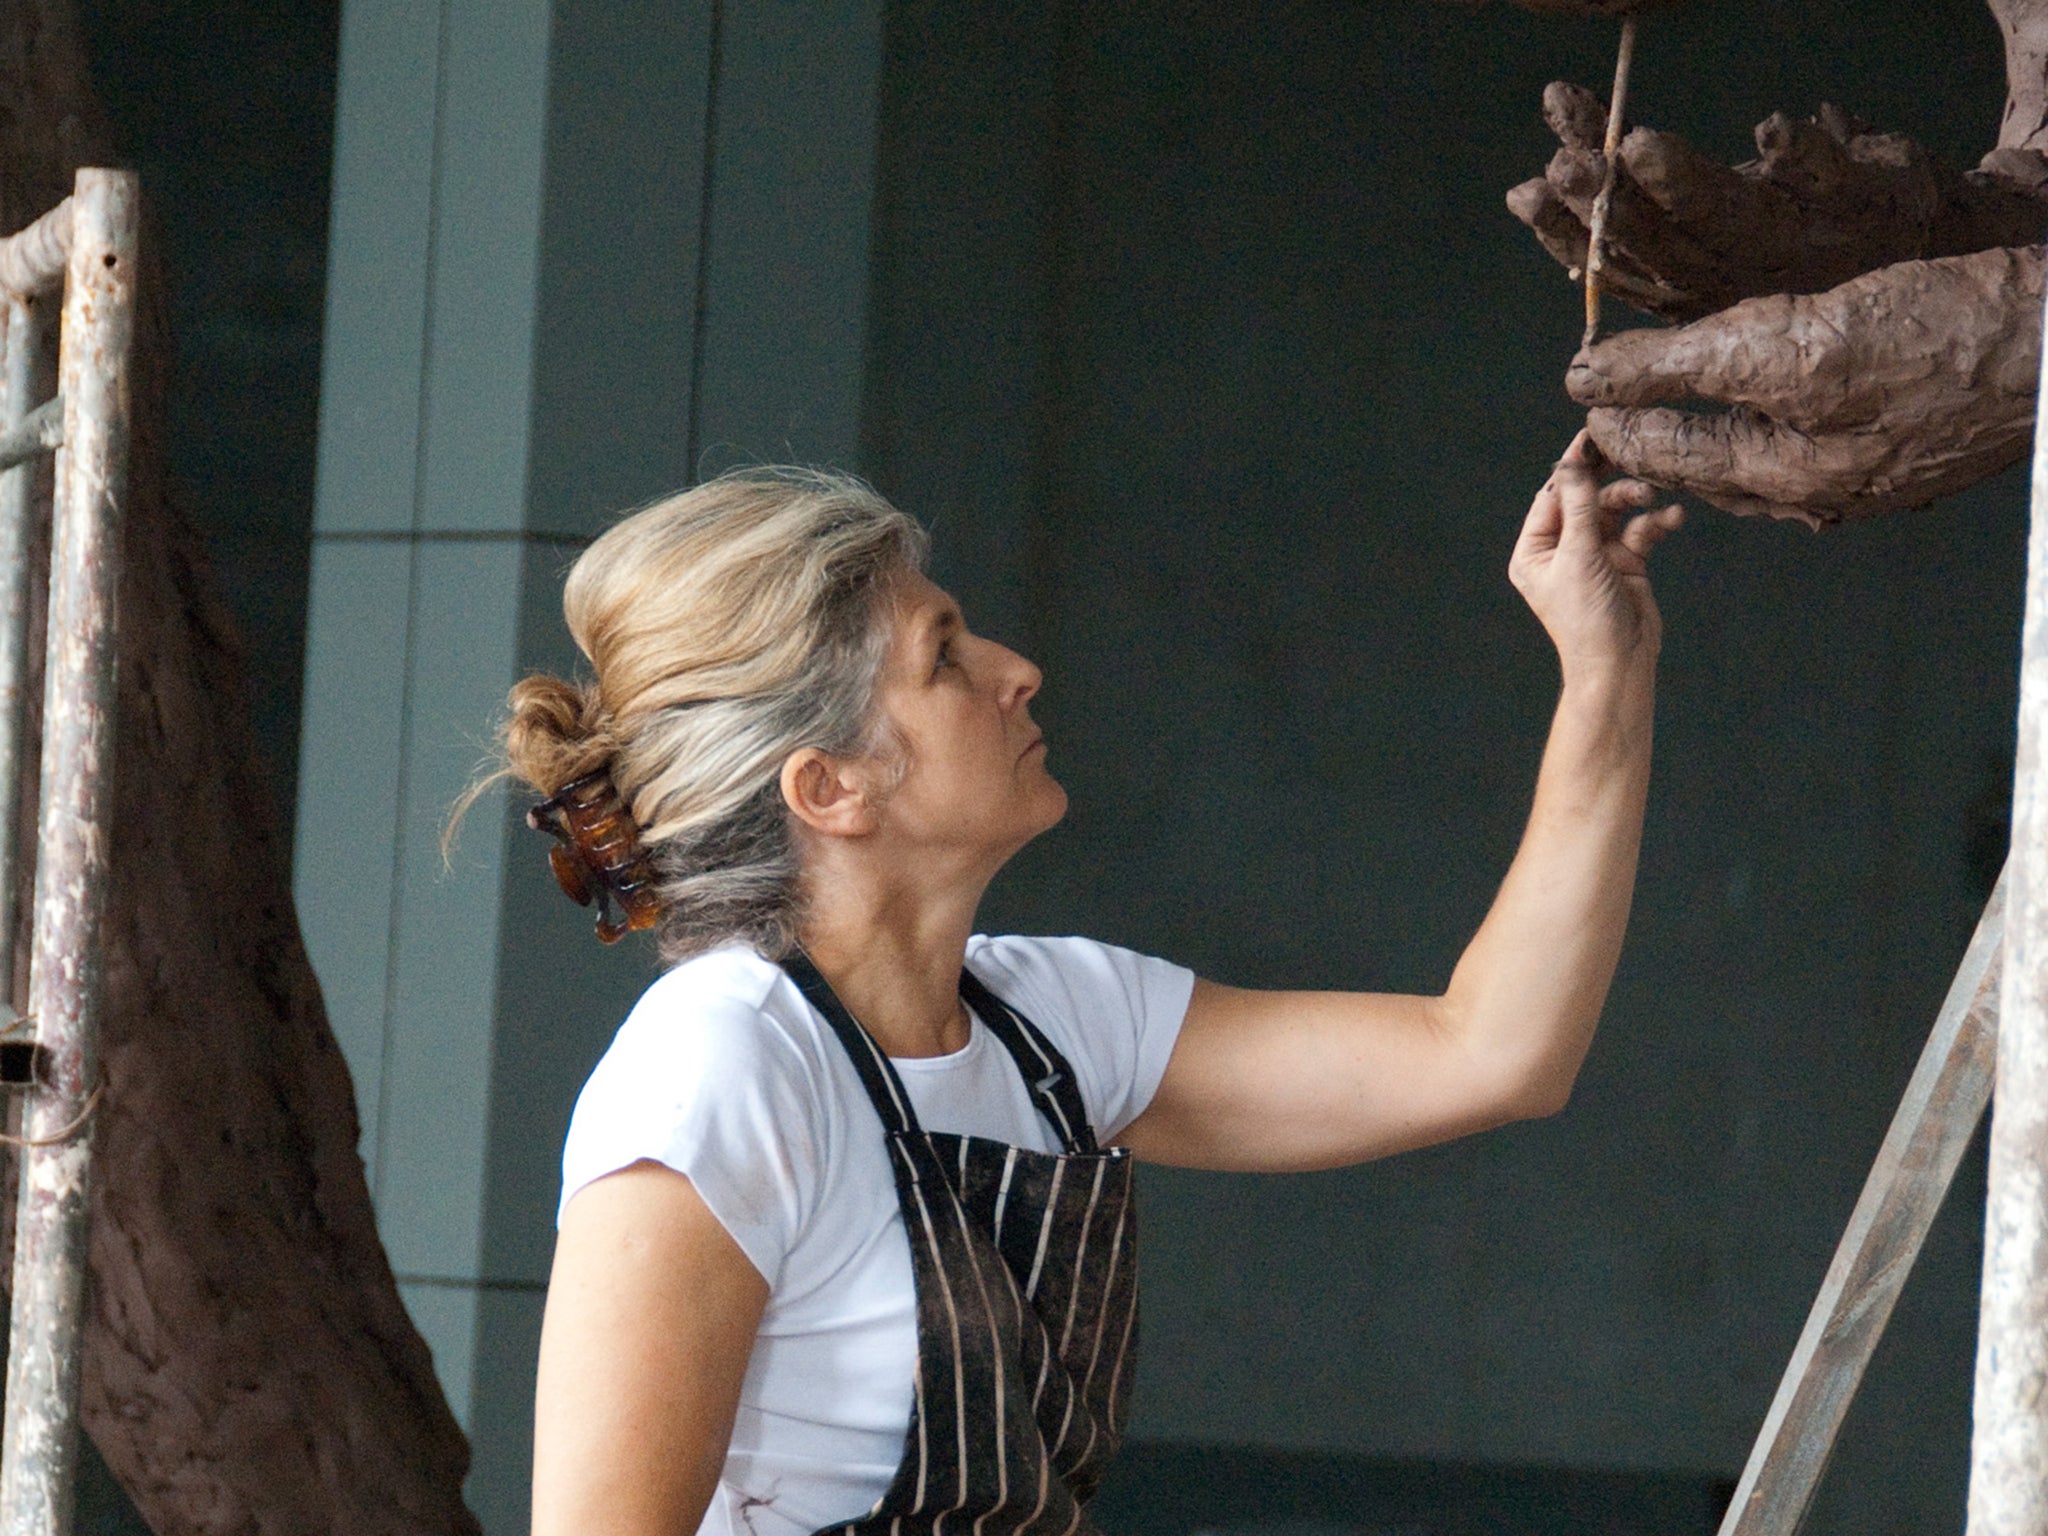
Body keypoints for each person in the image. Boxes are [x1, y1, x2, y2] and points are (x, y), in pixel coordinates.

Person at [506, 431, 1682, 1536]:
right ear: (829, 791)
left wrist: (1604, 673)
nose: (1016, 670)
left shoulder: (1049, 1024)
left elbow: (1493, 1051)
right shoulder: (722, 1068)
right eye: (945, 657)